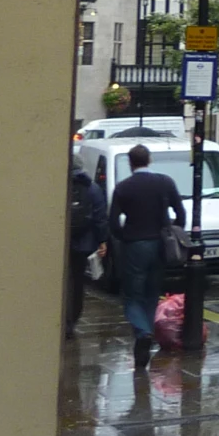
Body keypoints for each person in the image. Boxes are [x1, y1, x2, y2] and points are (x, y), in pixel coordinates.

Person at [109, 143, 185, 373]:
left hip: (135, 245)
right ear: (149, 160)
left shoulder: (123, 188)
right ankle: (145, 332)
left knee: (132, 296)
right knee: (152, 292)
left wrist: (125, 237)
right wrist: (172, 231)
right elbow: (180, 213)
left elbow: (113, 223)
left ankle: (143, 332)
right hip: (160, 244)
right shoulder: (165, 182)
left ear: (131, 163)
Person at [66, 158, 104, 337]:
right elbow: (99, 218)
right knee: (77, 282)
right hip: (82, 244)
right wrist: (102, 241)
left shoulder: (61, 184)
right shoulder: (92, 188)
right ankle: (72, 320)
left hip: (63, 244)